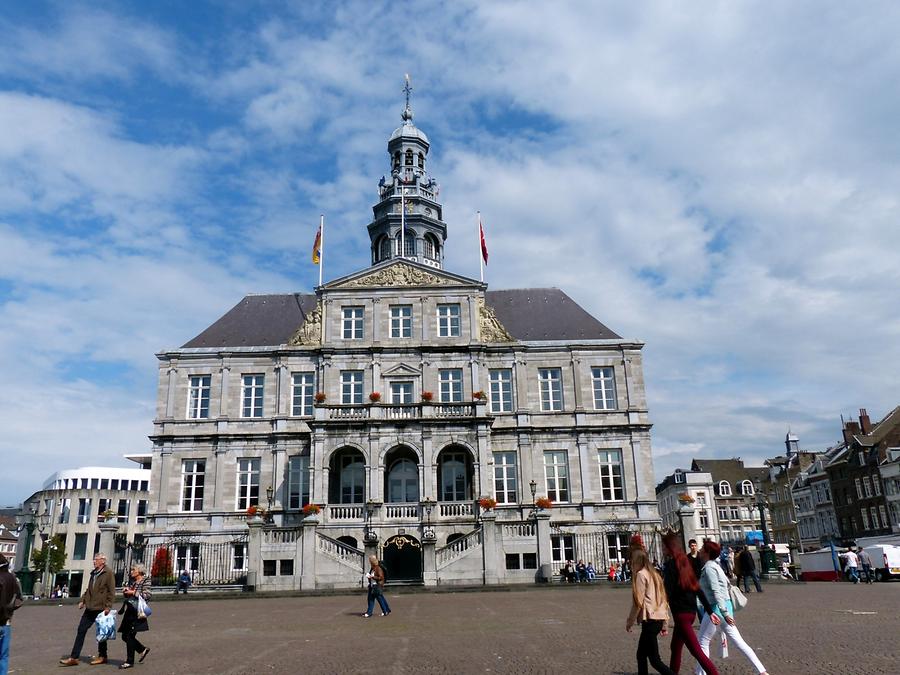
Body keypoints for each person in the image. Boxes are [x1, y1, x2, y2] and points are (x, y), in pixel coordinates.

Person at [694, 541, 768, 675]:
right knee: (739, 642)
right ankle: (761, 671)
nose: (700, 550)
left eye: (702, 548)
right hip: (725, 607)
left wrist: (723, 612)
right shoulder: (716, 566)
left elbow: (716, 591)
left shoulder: (709, 568)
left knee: (702, 642)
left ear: (707, 552)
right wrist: (726, 613)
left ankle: (701, 673)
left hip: (717, 609)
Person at [660, 534, 720, 675]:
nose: (662, 549)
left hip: (681, 614)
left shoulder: (671, 566)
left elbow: (666, 593)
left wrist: (663, 618)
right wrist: (709, 611)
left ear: (669, 548)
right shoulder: (686, 562)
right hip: (691, 612)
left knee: (696, 651)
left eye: (663, 546)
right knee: (675, 646)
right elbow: (697, 588)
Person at [59, 552, 117, 666]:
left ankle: (102, 656)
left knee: (102, 633)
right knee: (81, 630)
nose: (94, 561)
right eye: (94, 559)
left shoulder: (108, 573)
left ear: (102, 561)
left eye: (96, 559)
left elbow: (111, 591)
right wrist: (83, 600)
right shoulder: (94, 573)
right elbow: (89, 590)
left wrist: (108, 606)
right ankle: (74, 657)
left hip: (101, 607)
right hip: (90, 607)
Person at [625, 548, 675, 675]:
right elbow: (664, 600)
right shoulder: (656, 575)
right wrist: (665, 622)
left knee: (654, 660)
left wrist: (629, 621)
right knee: (641, 655)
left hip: (650, 620)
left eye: (632, 561)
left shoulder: (641, 575)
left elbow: (638, 602)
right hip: (657, 619)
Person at [117, 563, 152, 669]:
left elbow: (147, 595)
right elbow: (130, 595)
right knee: (124, 636)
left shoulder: (145, 580)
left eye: (134, 570)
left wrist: (133, 592)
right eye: (131, 570)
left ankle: (129, 661)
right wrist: (126, 591)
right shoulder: (133, 582)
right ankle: (142, 649)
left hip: (138, 612)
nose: (132, 571)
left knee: (129, 636)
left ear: (139, 571)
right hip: (129, 611)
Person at [1, 553, 24, 675]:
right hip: (7, 621)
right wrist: (10, 609)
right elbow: (20, 599)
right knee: (3, 655)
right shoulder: (13, 578)